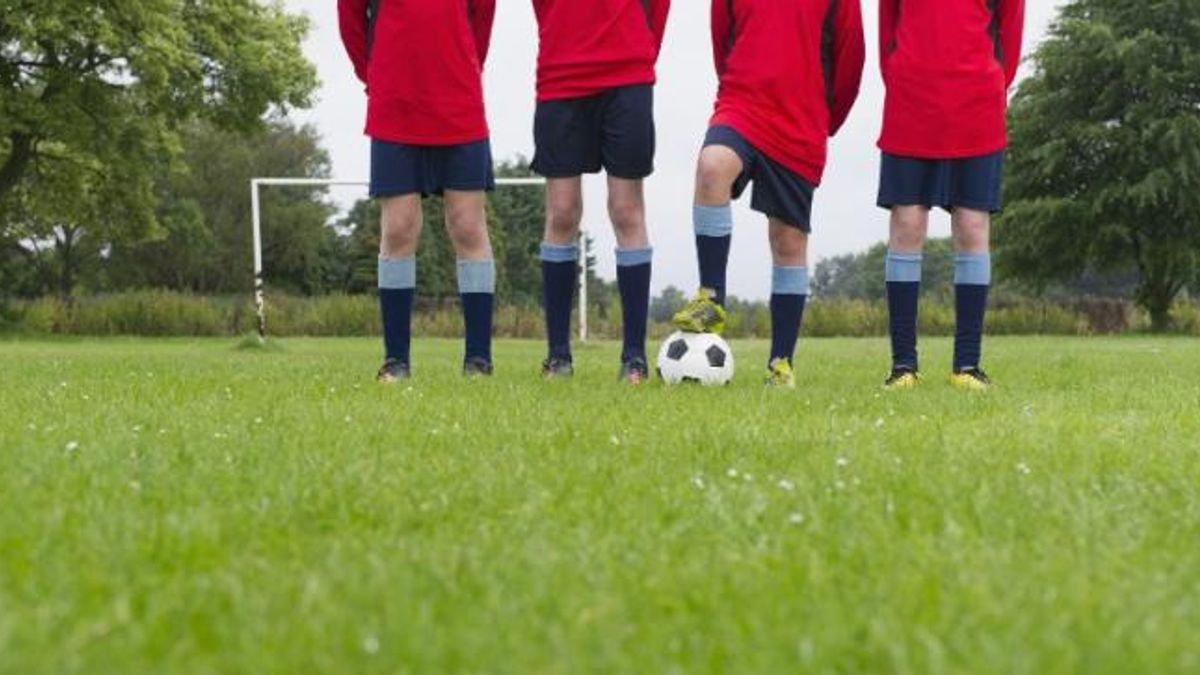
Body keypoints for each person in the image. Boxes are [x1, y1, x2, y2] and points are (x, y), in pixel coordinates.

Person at [673, 0, 864, 388]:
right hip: (742, 104)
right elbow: (721, 39)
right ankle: (711, 298)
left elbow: (850, 59)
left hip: (802, 118)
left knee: (788, 241)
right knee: (712, 166)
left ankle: (780, 363)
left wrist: (825, 120)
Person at [338, 0, 498, 382]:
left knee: (468, 228)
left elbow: (482, 21)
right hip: (395, 107)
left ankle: (478, 360)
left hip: (459, 102)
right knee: (398, 229)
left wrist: (460, 68)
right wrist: (376, 76)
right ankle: (396, 361)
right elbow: (350, 23)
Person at [877, 0, 1025, 391]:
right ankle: (903, 366)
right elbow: (886, 33)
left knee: (973, 227)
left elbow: (1010, 34)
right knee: (906, 225)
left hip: (977, 105)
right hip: (911, 103)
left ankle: (967, 366)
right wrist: (903, 74)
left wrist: (990, 82)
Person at [531, 0, 671, 383]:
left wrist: (635, 49)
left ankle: (634, 358)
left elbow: (657, 8)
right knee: (561, 212)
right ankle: (558, 355)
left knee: (627, 211)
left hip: (627, 75)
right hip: (561, 75)